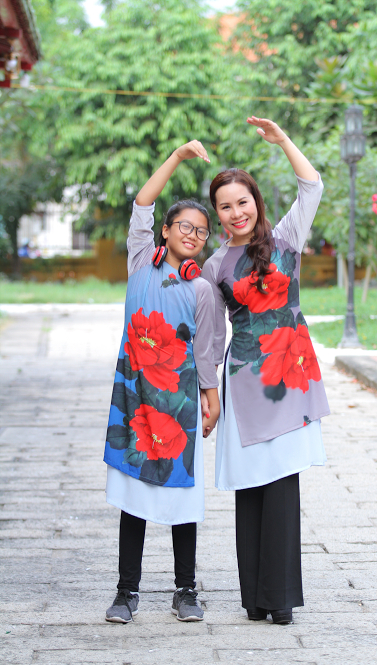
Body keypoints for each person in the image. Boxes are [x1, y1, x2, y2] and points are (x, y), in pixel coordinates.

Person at [201, 116, 330, 625]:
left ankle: (280, 599)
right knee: (253, 483)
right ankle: (256, 600)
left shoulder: (286, 238)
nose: (236, 213)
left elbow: (312, 185)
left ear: (255, 201)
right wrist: (209, 393)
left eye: (243, 202)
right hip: (245, 383)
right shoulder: (215, 266)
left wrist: (283, 141)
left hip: (290, 378)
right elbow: (212, 338)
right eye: (225, 206)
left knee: (282, 484)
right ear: (217, 213)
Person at [103, 141, 220, 624]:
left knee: (181, 496)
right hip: (134, 398)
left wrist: (211, 398)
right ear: (165, 231)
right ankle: (126, 591)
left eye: (201, 231)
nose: (193, 235)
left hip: (178, 404)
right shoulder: (139, 262)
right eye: (184, 226)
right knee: (133, 495)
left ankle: (185, 590)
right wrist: (176, 157)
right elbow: (142, 203)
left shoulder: (202, 289)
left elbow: (206, 350)